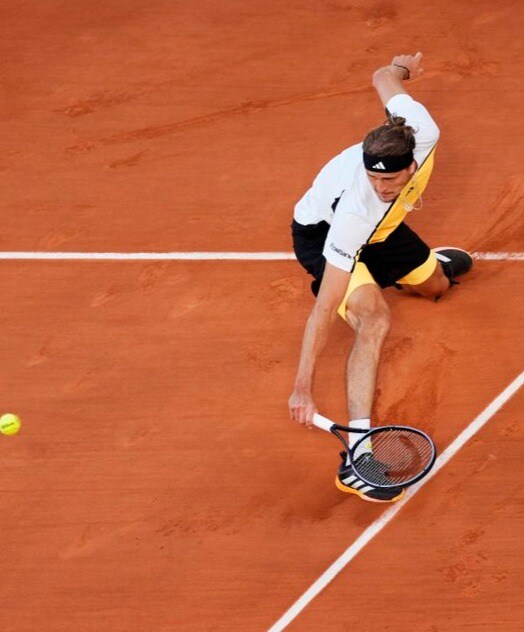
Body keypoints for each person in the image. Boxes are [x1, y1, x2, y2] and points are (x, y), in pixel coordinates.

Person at [288, 52, 472, 503]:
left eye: (389, 183)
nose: (381, 188)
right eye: (373, 180)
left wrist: (401, 67)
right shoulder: (357, 207)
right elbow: (324, 306)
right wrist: (302, 387)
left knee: (438, 287)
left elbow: (381, 75)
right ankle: (359, 455)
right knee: (374, 320)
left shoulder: (421, 130)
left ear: (412, 163)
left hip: (386, 230)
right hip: (327, 236)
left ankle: (425, 271)